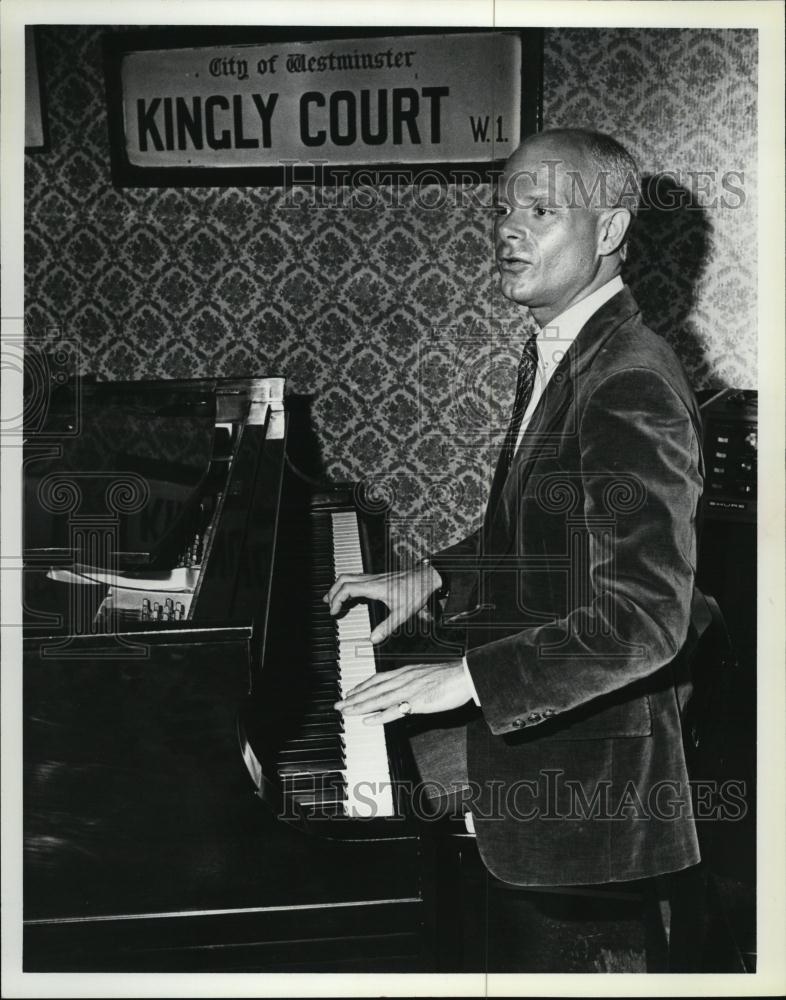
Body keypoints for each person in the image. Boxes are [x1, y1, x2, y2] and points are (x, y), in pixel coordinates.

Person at [325, 128, 704, 888]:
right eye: (503, 209)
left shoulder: (629, 380)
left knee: (338, 821)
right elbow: (555, 525)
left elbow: (646, 618)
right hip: (543, 719)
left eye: (540, 210)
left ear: (610, 230)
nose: (507, 228)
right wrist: (432, 576)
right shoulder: (571, 347)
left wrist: (463, 679)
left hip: (584, 771)